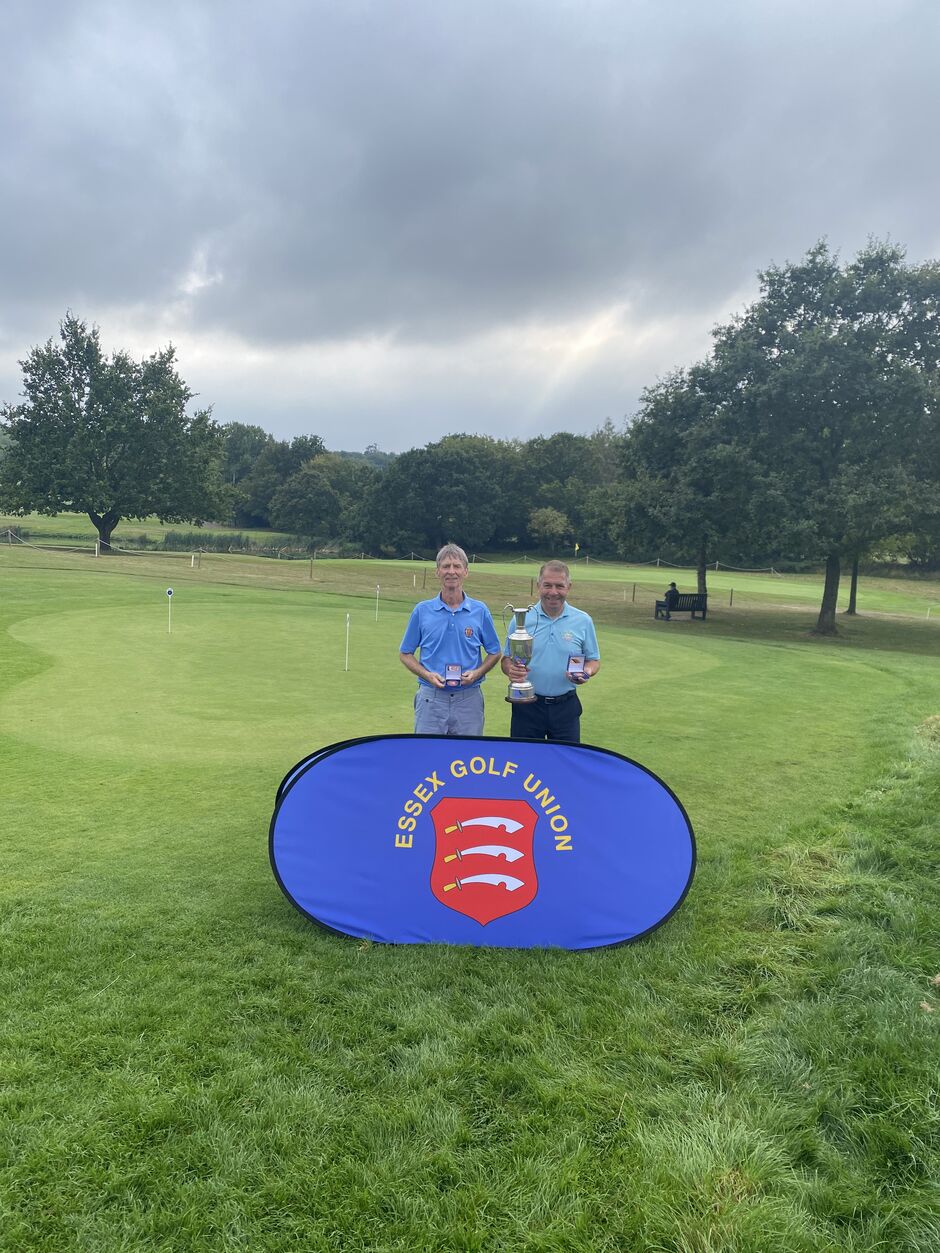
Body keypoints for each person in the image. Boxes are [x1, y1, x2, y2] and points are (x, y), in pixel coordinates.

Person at [399, 544, 502, 735]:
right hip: (431, 698)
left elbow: (495, 652)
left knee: (468, 753)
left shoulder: (480, 611)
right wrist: (427, 675)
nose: (451, 571)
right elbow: (405, 653)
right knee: (428, 752)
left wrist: (477, 673)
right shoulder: (422, 611)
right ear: (437, 571)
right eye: (446, 566)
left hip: (469, 699)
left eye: (457, 566)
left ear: (466, 572)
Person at [500, 560, 600, 743]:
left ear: (569, 587)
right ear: (538, 585)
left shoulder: (583, 620)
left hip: (566, 708)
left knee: (565, 760)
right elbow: (507, 659)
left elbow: (593, 660)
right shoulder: (521, 619)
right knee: (524, 759)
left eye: (559, 586)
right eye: (547, 585)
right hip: (527, 706)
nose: (553, 592)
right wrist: (510, 670)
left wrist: (586, 671)